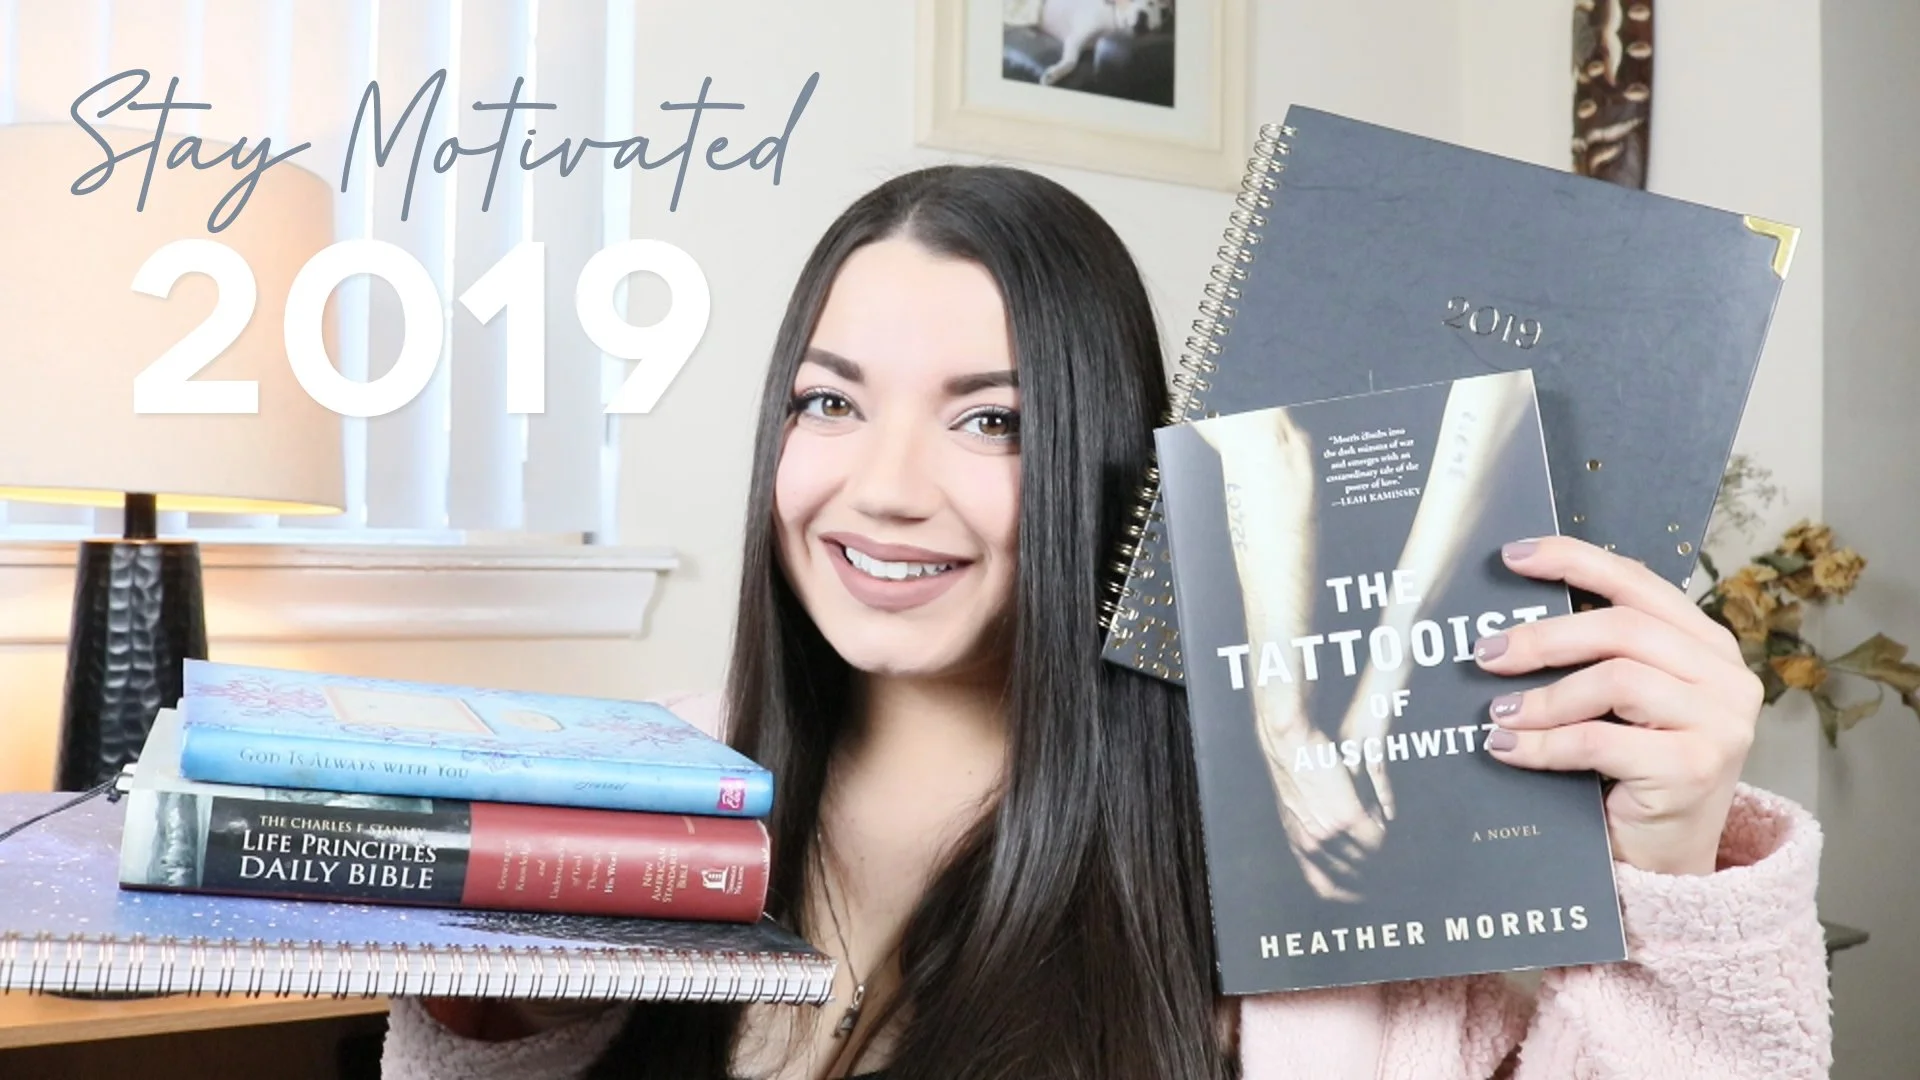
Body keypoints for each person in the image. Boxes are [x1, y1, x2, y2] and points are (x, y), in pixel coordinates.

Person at [380, 165, 1831, 1080]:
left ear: (1108, 466)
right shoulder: (635, 809)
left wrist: (1673, 861)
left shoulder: (1306, 862)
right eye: (828, 401)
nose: (880, 491)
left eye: (992, 421)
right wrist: (497, 1015)